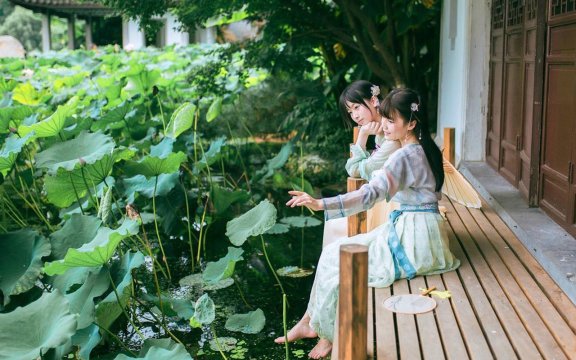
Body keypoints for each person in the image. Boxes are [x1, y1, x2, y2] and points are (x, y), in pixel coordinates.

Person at [275, 88, 460, 358]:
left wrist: (319, 203)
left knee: (334, 259)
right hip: (423, 232)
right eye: (383, 118)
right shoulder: (424, 149)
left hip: (414, 240)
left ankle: (326, 334)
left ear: (411, 123)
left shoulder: (404, 156)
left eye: (391, 120)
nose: (383, 126)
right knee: (333, 253)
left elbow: (368, 195)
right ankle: (310, 324)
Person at [323, 80, 401, 247]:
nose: (355, 116)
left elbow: (355, 170)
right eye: (350, 112)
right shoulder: (383, 130)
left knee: (334, 224)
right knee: (334, 222)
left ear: (373, 101)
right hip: (384, 199)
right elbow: (356, 168)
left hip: (393, 207)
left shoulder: (392, 136)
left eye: (357, 107)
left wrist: (362, 135)